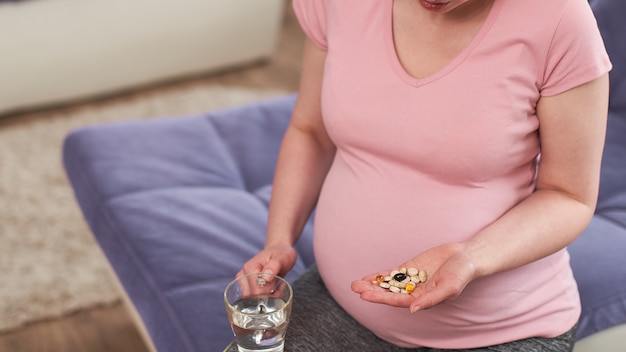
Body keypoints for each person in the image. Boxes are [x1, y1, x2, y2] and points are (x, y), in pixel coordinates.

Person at [238, 0, 612, 350]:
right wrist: (279, 239)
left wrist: (470, 256)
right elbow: (311, 131)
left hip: (499, 332)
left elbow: (569, 196)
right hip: (342, 301)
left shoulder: (560, 21)